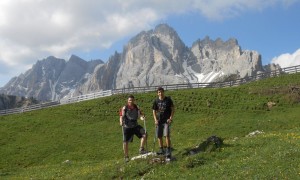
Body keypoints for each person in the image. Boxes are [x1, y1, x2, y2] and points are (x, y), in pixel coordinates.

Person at [119, 95, 147, 162]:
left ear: (134, 100)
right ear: (127, 101)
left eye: (132, 100)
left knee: (144, 134)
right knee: (125, 142)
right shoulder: (124, 108)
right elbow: (121, 116)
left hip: (135, 125)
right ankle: (126, 156)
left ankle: (141, 149)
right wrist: (120, 122)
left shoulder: (137, 107)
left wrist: (142, 118)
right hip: (127, 127)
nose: (131, 101)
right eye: (129, 100)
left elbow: (140, 115)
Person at [152, 87, 175, 159]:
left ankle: (168, 150)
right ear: (157, 93)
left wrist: (170, 118)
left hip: (166, 121)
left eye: (161, 92)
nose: (160, 93)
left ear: (163, 92)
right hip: (159, 121)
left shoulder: (168, 100)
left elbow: (173, 109)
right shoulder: (156, 101)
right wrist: (155, 120)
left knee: (166, 135)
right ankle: (161, 149)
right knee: (159, 135)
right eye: (159, 92)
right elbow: (154, 111)